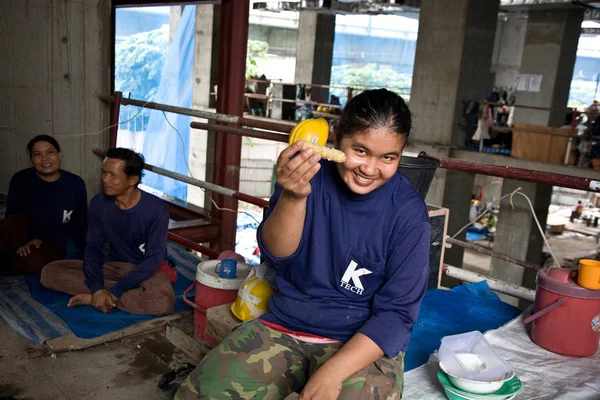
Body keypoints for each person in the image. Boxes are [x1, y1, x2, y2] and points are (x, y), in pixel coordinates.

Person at [175, 89, 431, 399]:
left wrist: (331, 373)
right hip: (287, 322)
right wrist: (294, 195)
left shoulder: (408, 213)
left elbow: (398, 316)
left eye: (388, 157)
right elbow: (276, 254)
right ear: (337, 138)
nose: (370, 168)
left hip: (360, 341)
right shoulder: (306, 175)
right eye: (360, 151)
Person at [40, 148, 175, 315]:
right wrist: (97, 287)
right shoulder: (99, 204)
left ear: (133, 179)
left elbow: (154, 258)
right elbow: (93, 247)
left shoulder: (156, 208)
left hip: (145, 270)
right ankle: (102, 296)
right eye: (103, 173)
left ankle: (99, 298)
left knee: (163, 302)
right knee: (49, 272)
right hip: (113, 266)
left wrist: (115, 290)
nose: (105, 179)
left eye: (112, 175)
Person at [0, 135, 87, 276]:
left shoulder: (75, 184)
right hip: (24, 235)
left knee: (33, 262)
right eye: (37, 154)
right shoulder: (20, 179)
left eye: (50, 152)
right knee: (6, 227)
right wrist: (25, 241)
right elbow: (13, 218)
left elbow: (79, 225)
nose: (44, 158)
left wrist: (40, 240)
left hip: (53, 239)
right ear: (32, 160)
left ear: (60, 155)